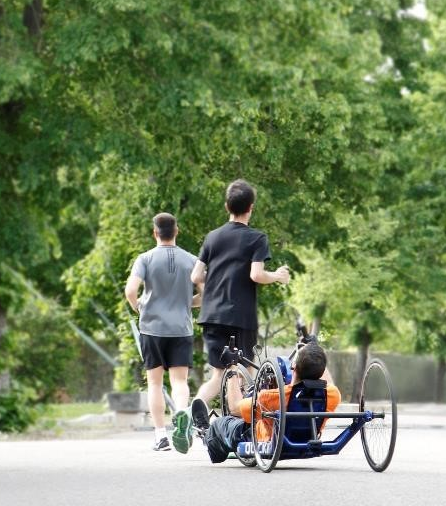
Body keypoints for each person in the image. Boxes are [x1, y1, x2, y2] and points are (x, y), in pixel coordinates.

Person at [189, 179, 290, 407]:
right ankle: (242, 423)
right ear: (251, 207)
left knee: (219, 374)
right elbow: (256, 274)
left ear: (227, 206)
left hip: (212, 314)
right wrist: (277, 276)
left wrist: (214, 285)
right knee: (243, 373)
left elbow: (195, 276)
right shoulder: (257, 238)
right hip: (240, 317)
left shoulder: (212, 237)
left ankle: (192, 410)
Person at [125, 212, 201, 452]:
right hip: (180, 328)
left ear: (154, 233)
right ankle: (180, 413)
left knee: (155, 384)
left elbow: (130, 291)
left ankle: (161, 436)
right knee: (179, 381)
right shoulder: (191, 260)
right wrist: (187, 303)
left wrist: (141, 309)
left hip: (152, 329)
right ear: (176, 231)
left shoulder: (144, 259)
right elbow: (208, 292)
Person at [190, 343, 340, 463]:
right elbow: (328, 382)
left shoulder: (271, 397)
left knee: (221, 424)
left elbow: (234, 408)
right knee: (249, 413)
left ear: (293, 367)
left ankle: (205, 432)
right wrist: (315, 352)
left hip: (264, 440)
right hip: (307, 438)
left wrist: (231, 367)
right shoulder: (332, 395)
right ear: (321, 369)